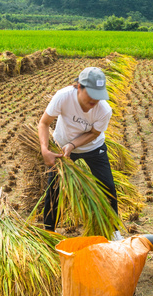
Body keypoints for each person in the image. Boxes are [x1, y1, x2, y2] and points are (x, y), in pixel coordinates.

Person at [38, 66, 120, 237]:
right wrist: (45, 150)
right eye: (91, 95)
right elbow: (44, 123)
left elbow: (94, 133)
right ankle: (49, 232)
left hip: (93, 146)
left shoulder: (104, 110)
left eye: (98, 96)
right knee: (54, 189)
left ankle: (113, 231)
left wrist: (73, 145)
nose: (94, 101)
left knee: (108, 187)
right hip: (62, 145)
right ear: (78, 87)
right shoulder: (63, 97)